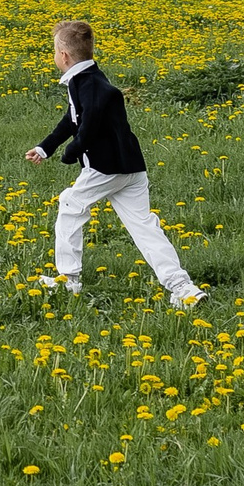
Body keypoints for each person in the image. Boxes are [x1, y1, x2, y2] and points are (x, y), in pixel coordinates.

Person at [24, 19, 204, 307]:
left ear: (64, 56)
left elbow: (89, 123)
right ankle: (184, 288)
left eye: (55, 52)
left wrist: (72, 151)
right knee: (144, 226)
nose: (54, 56)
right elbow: (73, 119)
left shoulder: (91, 86)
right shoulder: (87, 78)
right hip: (131, 167)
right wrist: (45, 148)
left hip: (105, 168)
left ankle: (69, 280)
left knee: (70, 204)